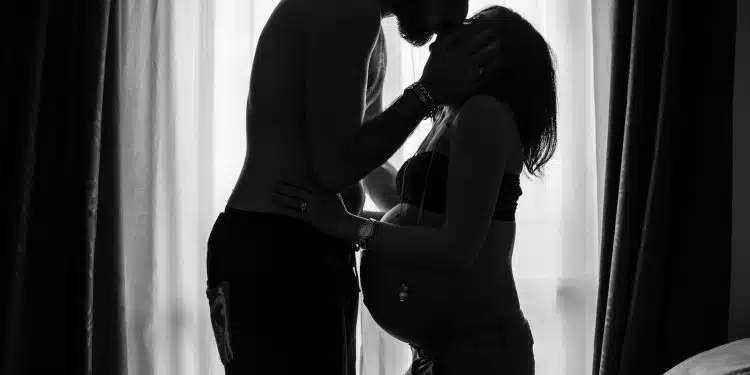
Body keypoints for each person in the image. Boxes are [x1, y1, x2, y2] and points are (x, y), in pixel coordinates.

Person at [204, 0, 503, 373]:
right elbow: (335, 167)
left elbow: (367, 157)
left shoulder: (368, 27)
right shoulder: (346, 9)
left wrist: (436, 220)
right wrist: (427, 91)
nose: (451, 24)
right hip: (276, 252)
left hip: (301, 247)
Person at [273, 5, 558, 374]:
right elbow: (419, 216)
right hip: (443, 351)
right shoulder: (453, 115)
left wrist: (351, 227)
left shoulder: (484, 115)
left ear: (490, 55)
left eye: (470, 27)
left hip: (477, 353)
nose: (450, 27)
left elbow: (456, 247)